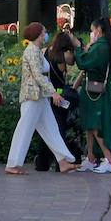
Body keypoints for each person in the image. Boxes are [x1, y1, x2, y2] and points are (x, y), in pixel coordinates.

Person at [4, 22, 76, 175]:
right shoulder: (31, 51)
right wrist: (53, 92)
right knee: (24, 129)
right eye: (43, 33)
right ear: (38, 35)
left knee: (51, 129)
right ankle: (12, 163)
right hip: (32, 96)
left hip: (40, 97)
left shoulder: (36, 51)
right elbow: (37, 75)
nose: (45, 35)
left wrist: (49, 92)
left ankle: (62, 161)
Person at [35, 31, 82, 172]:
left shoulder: (44, 51)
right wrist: (78, 46)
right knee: (59, 128)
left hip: (46, 95)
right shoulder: (61, 57)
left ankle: (42, 163)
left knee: (47, 130)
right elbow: (74, 63)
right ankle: (59, 162)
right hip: (58, 96)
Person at [76, 18, 111, 173]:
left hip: (95, 92)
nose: (91, 33)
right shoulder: (102, 46)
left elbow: (84, 63)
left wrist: (78, 49)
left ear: (99, 30)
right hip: (94, 91)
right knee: (89, 125)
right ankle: (91, 157)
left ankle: (110, 161)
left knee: (95, 126)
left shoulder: (101, 47)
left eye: (92, 30)